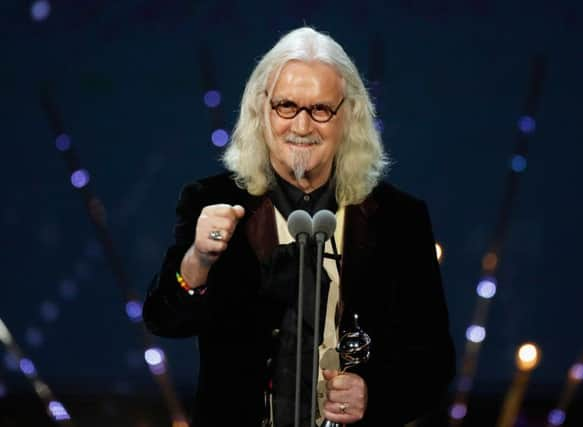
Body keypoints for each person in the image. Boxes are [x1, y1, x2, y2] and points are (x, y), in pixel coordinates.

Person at [143, 27, 455, 427]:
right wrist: (198, 260)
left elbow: (434, 363)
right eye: (286, 106)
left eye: (321, 109)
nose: (302, 127)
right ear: (262, 110)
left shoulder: (399, 217)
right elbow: (163, 319)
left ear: (350, 116)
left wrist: (373, 394)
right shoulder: (210, 199)